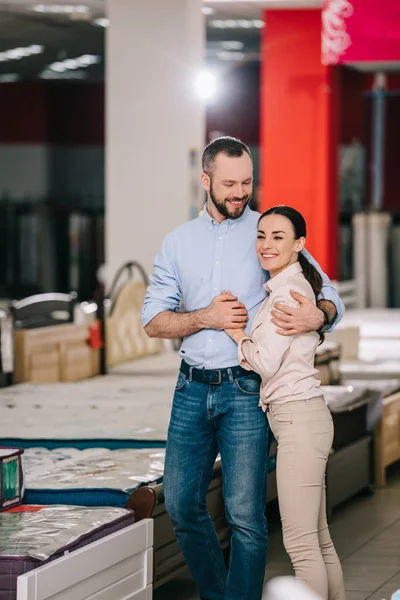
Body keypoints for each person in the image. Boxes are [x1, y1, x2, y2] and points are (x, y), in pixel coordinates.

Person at [142, 137, 344, 600]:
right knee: (180, 504)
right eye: (230, 184)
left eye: (247, 182)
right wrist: (205, 318)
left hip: (247, 390)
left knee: (247, 517)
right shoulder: (178, 243)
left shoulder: (269, 232)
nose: (240, 192)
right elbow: (153, 321)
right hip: (191, 388)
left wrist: (320, 315)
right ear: (206, 180)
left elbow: (327, 292)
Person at [225, 205, 345, 600]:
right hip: (306, 418)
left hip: (298, 422)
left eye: (278, 237)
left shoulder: (287, 294)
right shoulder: (290, 286)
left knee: (300, 544)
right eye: (261, 236)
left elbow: (266, 362)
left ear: (299, 245)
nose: (266, 244)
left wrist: (237, 333)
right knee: (319, 540)